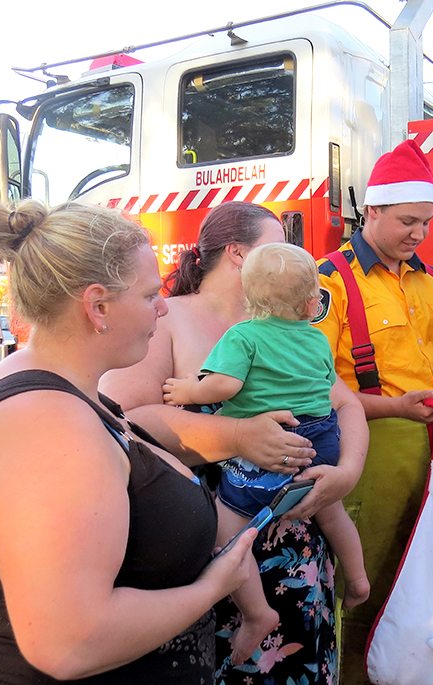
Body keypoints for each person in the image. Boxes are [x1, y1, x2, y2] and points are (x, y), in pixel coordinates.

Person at [0, 199, 257, 684]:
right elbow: (68, 643)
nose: (164, 305)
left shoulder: (63, 390)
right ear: (97, 305)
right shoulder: (47, 424)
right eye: (151, 295)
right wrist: (213, 588)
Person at [100, 201, 368, 685]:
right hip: (210, 549)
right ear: (239, 254)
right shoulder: (164, 320)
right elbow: (127, 421)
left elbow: (347, 405)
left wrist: (346, 473)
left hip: (300, 547)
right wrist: (239, 436)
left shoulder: (290, 331)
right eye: (278, 247)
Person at [313, 139, 433, 684]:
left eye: (426, 224)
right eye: (408, 221)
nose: (418, 234)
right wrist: (395, 407)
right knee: (364, 585)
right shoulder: (329, 281)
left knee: (428, 581)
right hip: (370, 450)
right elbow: (316, 387)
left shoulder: (432, 280)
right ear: (373, 211)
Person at [161, 242, 370, 664]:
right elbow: (330, 392)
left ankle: (257, 615)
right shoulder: (315, 340)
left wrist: (187, 389)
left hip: (268, 455)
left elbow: (225, 387)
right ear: (313, 302)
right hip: (320, 440)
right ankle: (361, 579)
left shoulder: (242, 336)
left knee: (228, 532)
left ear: (249, 294)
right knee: (332, 513)